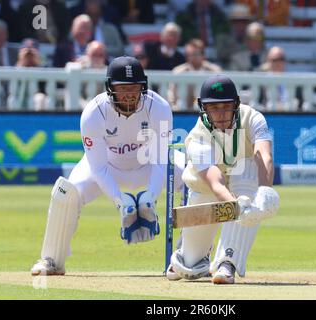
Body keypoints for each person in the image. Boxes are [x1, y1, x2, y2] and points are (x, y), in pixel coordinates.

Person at [31, 56, 185, 276]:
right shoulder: (94, 113)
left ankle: (190, 257)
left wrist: (149, 198)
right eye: (122, 89)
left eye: (134, 88)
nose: (129, 95)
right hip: (108, 166)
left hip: (150, 163)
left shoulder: (158, 107)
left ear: (144, 87)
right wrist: (121, 203)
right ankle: (52, 260)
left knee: (194, 176)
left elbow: (161, 160)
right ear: (109, 88)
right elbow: (99, 168)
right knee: (65, 193)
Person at [166, 74, 279, 284]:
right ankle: (190, 253)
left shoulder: (253, 118)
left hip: (243, 179)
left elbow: (264, 155)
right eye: (214, 108)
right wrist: (237, 206)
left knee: (247, 168)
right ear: (203, 108)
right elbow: (215, 181)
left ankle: (227, 262)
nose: (221, 114)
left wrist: (264, 191)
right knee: (189, 267)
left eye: (226, 107)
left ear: (236, 104)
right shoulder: (197, 137)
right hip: (205, 189)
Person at [168, 38, 222, 111]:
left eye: (195, 54)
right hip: (182, 111)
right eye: (189, 54)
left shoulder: (214, 70)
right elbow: (171, 94)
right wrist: (174, 108)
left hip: (208, 111)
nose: (192, 57)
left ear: (203, 55)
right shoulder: (178, 71)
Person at [259, 46, 303, 111]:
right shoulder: (260, 83)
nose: (278, 63)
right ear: (268, 61)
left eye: (281, 59)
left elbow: (300, 102)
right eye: (275, 60)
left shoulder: (294, 82)